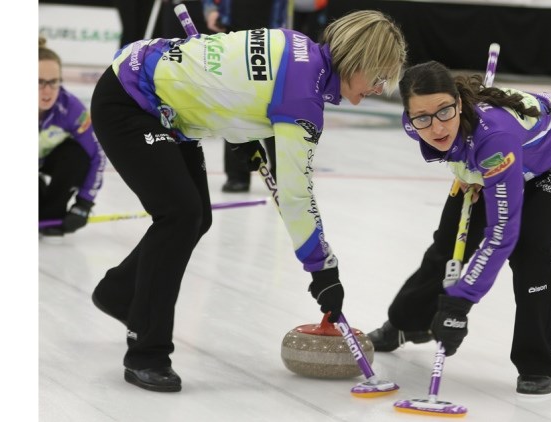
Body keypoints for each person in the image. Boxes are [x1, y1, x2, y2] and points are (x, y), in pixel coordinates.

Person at [89, 10, 406, 392]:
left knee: (195, 217)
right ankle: (146, 352)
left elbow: (229, 75)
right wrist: (322, 268)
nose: (378, 87)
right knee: (178, 216)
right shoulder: (304, 98)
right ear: (359, 61)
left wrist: (241, 130)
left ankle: (120, 294)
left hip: (163, 102)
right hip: (130, 101)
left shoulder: (297, 47)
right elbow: (295, 195)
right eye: (379, 77)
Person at [367, 60, 551, 396]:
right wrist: (467, 169)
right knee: (448, 242)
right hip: (498, 160)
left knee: (529, 247)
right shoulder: (416, 124)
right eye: (422, 118)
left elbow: (501, 232)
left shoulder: (495, 138)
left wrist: (460, 301)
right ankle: (406, 322)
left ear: (459, 103)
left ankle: (536, 362)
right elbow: (450, 144)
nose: (435, 128)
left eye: (445, 112)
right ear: (408, 116)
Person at [202, 0, 286, 192]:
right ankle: (237, 173)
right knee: (234, 101)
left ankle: (282, 172)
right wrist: (211, 10)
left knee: (274, 102)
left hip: (272, 34)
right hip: (234, 29)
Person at [39, 36, 105, 238]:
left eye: (54, 82)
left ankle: (49, 218)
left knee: (77, 155)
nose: (48, 91)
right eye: (39, 82)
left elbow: (97, 155)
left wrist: (84, 203)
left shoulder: (69, 107)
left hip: (45, 158)